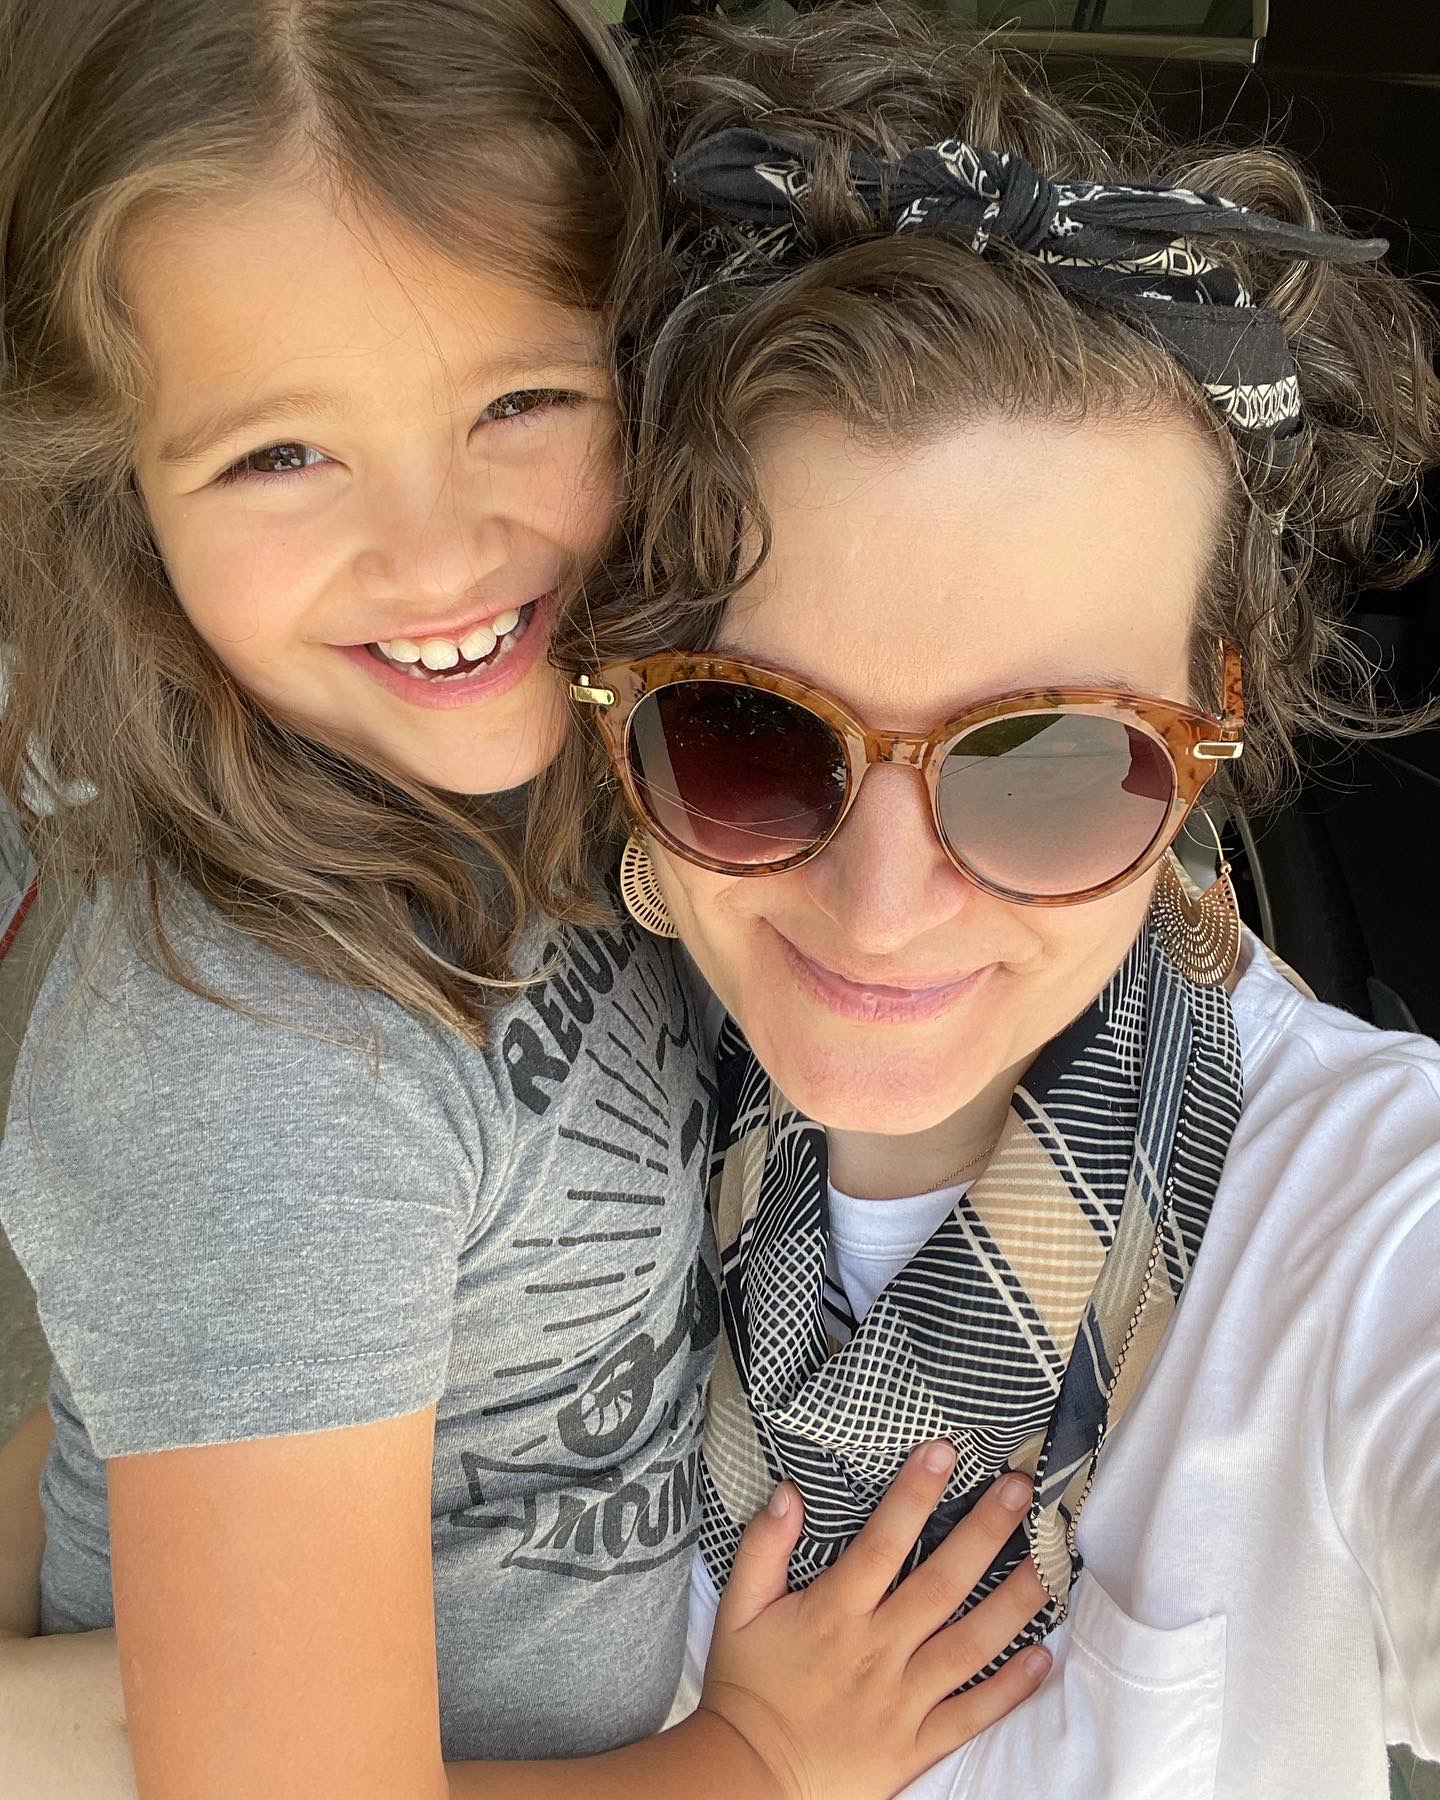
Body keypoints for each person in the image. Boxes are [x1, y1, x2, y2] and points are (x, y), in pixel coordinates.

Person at [0, 2, 1049, 1796]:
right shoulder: (246, 1058)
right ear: (123, 494)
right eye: (279, 453)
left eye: (521, 402)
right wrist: (761, 1765)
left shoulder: (575, 747)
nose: (438, 552)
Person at [559, 8, 1440, 1797]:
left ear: (1212, 721)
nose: (883, 908)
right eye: (750, 736)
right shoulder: (536, 1094)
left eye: (1043, 762)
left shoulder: (1361, 1225)